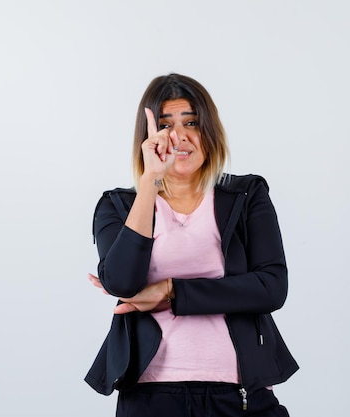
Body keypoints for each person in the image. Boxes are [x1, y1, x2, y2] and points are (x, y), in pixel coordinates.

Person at [85, 73, 298, 417]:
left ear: (209, 132)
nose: (179, 136)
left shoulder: (246, 195)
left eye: (192, 123)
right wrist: (151, 181)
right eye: (166, 125)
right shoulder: (119, 205)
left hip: (239, 393)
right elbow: (121, 283)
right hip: (151, 395)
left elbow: (271, 288)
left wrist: (171, 291)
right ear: (149, 138)